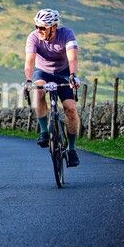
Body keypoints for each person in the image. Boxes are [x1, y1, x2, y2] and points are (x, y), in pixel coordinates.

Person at [22, 9, 82, 167]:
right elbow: (29, 62)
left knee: (70, 109)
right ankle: (44, 131)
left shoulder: (67, 34)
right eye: (37, 26)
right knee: (38, 91)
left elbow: (73, 57)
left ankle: (72, 149)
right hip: (43, 73)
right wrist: (28, 80)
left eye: (42, 27)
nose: (38, 30)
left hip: (63, 73)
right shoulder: (33, 37)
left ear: (54, 27)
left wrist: (73, 75)